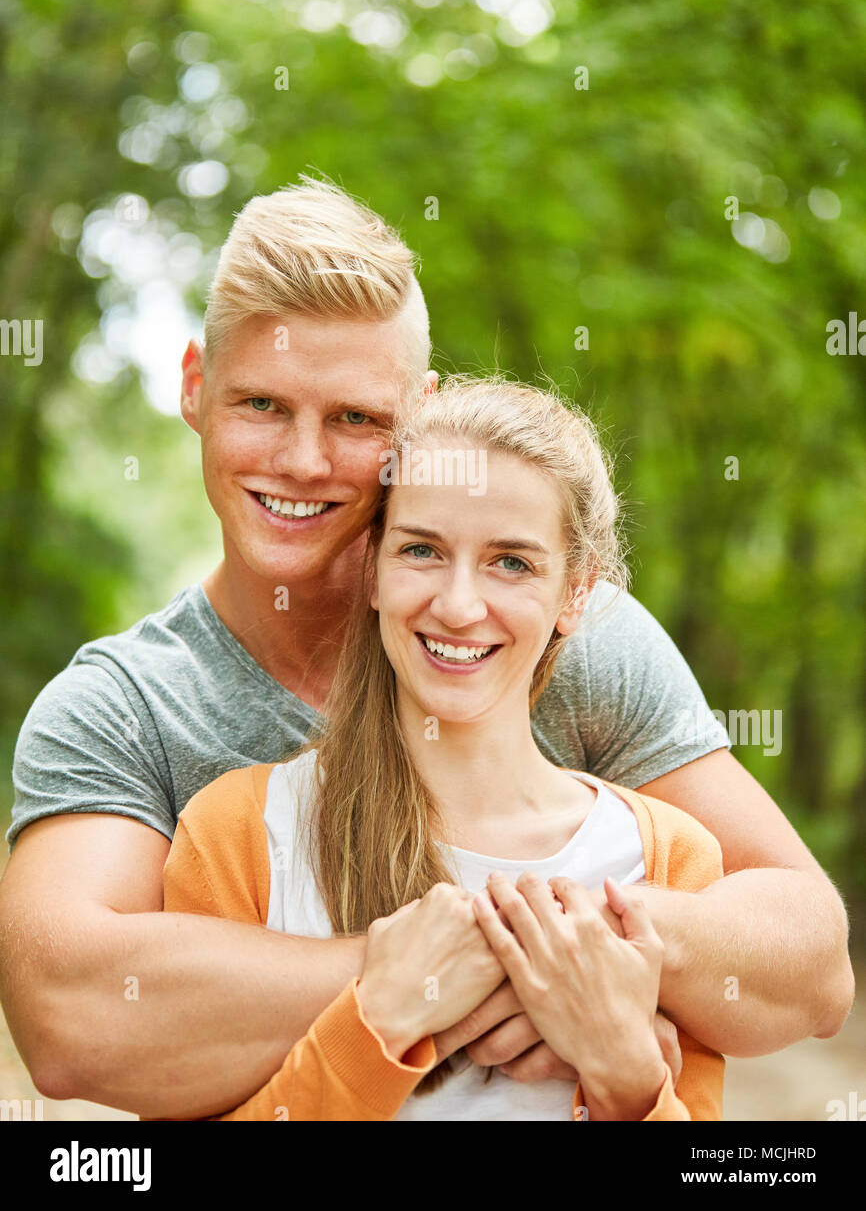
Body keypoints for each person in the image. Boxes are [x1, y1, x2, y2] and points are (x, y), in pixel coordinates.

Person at [0, 180, 853, 1120]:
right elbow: (70, 1018)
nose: (303, 460)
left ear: (420, 420)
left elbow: (810, 970)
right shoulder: (126, 707)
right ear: (195, 387)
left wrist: (581, 961)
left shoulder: (566, 636)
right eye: (261, 404)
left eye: (357, 419)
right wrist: (431, 978)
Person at [161, 377, 725, 1121]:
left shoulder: (670, 861)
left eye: (512, 563)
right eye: (422, 550)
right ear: (372, 568)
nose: (459, 606)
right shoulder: (236, 835)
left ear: (576, 592)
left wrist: (626, 1077)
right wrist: (378, 1022)